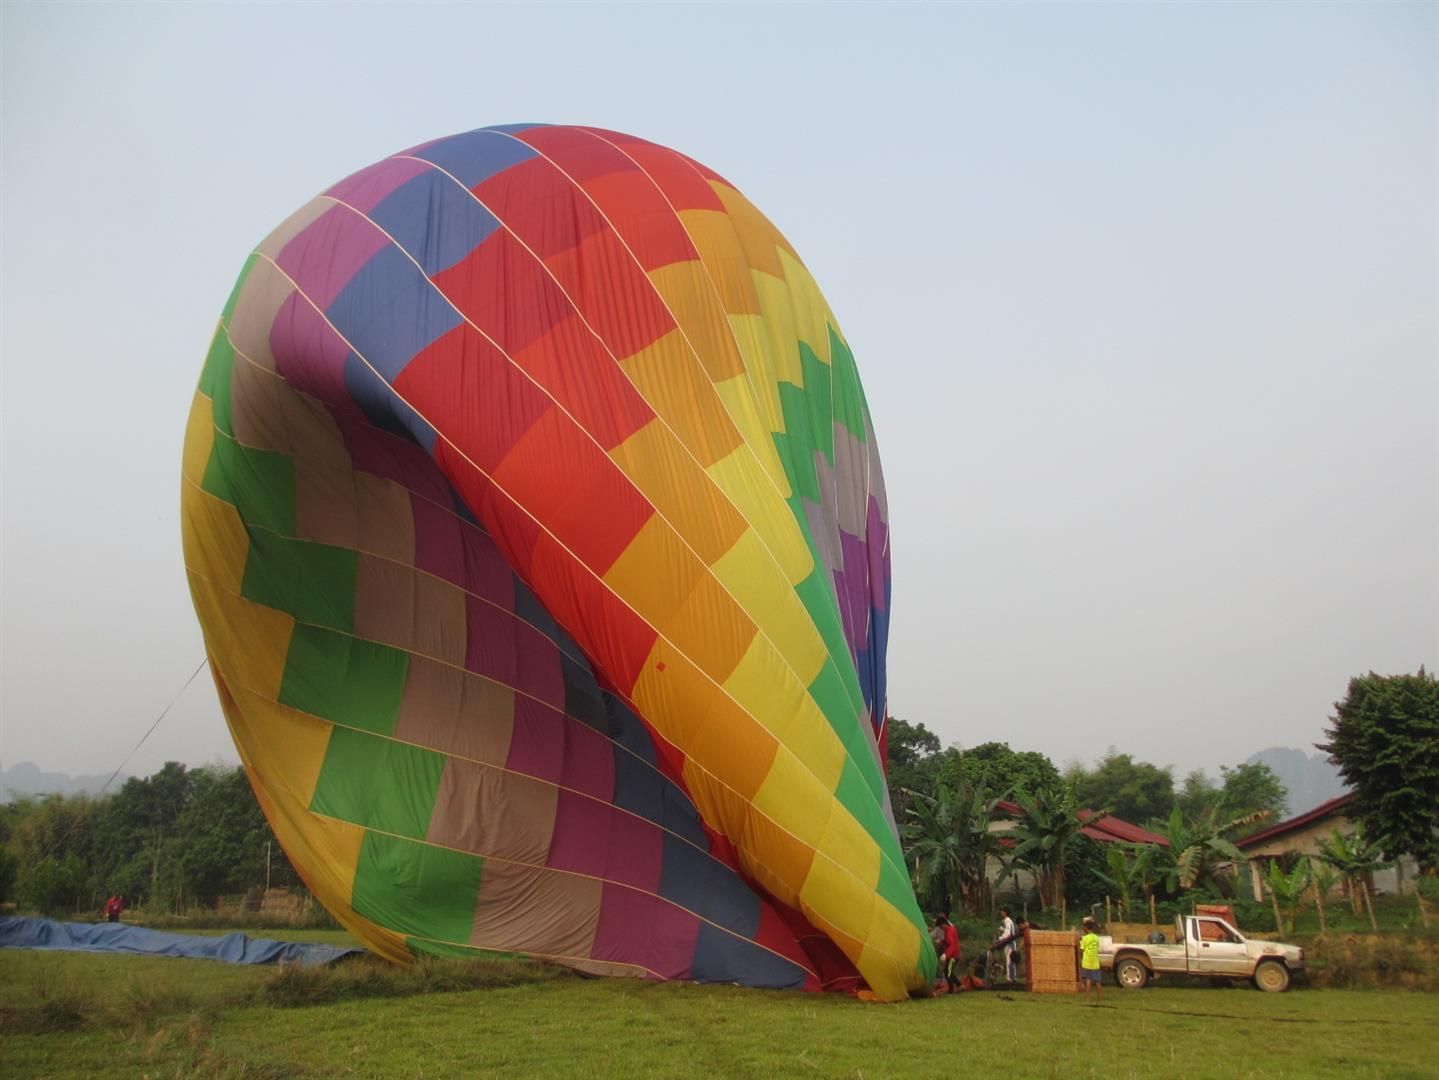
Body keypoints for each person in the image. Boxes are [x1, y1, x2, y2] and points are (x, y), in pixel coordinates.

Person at [1080, 916, 1103, 1004]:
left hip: (1087, 962)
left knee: (1088, 980)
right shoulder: (1097, 938)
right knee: (1097, 981)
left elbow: (1082, 950)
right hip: (1095, 962)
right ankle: (1100, 999)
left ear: (1085, 928)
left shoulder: (1085, 938)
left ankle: (1087, 1000)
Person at [936, 912, 961, 993]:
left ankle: (952, 989)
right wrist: (941, 942)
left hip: (953, 956)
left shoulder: (949, 930)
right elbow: (947, 942)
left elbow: (952, 945)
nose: (940, 928)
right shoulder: (948, 929)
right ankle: (959, 985)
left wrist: (945, 954)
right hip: (953, 955)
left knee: (948, 972)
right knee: (949, 971)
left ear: (943, 924)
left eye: (940, 926)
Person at [997, 908, 1017, 981]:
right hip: (1008, 943)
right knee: (1009, 959)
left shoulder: (1007, 921)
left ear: (1005, 912)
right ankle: (1011, 977)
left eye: (1002, 912)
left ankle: (1010, 977)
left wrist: (1000, 938)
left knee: (1009, 960)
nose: (1001, 913)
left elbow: (1008, 933)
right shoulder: (1006, 921)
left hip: (1010, 943)